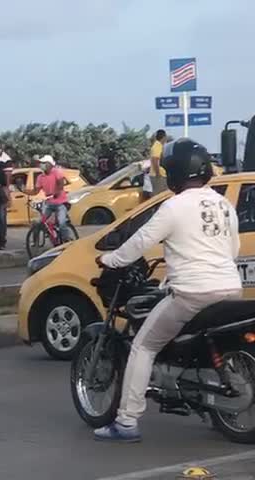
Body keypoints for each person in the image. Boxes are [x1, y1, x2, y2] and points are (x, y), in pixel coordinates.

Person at [94, 139, 242, 443]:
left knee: (143, 346)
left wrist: (110, 259)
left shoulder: (173, 206)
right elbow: (233, 248)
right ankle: (213, 404)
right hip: (230, 288)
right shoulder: (224, 204)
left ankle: (126, 422)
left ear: (174, 172)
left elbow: (139, 242)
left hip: (192, 294)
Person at [25, 155, 73, 242]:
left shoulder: (57, 172)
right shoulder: (40, 177)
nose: (41, 165)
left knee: (61, 223)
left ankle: (67, 240)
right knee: (41, 222)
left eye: (44, 163)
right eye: (41, 163)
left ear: (50, 164)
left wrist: (56, 193)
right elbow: (36, 191)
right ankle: (42, 240)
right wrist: (25, 191)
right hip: (49, 203)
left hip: (61, 202)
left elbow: (60, 184)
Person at [149, 129, 168, 196]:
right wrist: (158, 173)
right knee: (159, 196)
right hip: (158, 175)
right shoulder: (157, 146)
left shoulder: (159, 146)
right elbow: (155, 160)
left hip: (159, 174)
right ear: (163, 137)